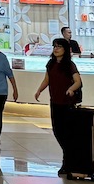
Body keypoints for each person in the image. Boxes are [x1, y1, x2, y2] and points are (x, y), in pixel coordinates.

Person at [34, 38, 84, 175]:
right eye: (55, 46)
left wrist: (71, 89)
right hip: (55, 101)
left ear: (65, 50)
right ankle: (68, 158)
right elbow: (47, 80)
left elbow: (78, 81)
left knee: (66, 133)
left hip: (67, 103)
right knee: (57, 131)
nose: (56, 49)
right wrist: (39, 90)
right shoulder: (51, 64)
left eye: (59, 47)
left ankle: (67, 162)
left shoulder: (69, 65)